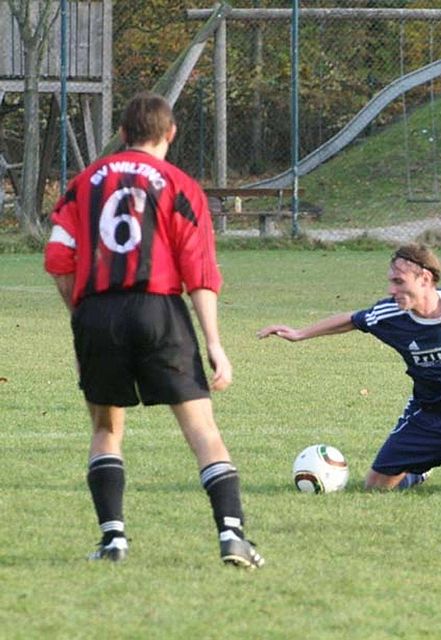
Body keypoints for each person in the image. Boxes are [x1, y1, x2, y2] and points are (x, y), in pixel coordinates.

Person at [43, 92, 264, 568]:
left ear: (121, 134)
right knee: (202, 429)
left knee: (105, 427)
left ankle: (114, 541)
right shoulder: (180, 185)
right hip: (158, 310)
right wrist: (215, 345)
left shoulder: (83, 184)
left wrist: (80, 321)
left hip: (97, 312)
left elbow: (59, 258)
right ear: (170, 134)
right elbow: (200, 272)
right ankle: (232, 537)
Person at [256, 244, 441, 495]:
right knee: (375, 487)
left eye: (398, 282)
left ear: (425, 279)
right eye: (391, 281)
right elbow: (352, 319)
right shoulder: (391, 316)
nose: (391, 290)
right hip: (426, 417)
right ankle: (418, 471)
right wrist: (300, 334)